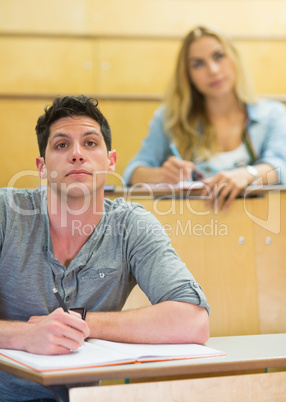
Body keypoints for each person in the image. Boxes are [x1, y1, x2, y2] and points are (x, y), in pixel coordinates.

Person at [0, 95, 209, 401]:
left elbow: (193, 321)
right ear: (41, 167)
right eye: (61, 145)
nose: (76, 154)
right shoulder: (6, 212)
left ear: (110, 161)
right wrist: (25, 335)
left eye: (90, 143)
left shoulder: (131, 224)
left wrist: (82, 322)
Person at [123, 25, 286, 209]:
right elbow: (132, 173)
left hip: (254, 229)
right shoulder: (170, 118)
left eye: (218, 56)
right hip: (190, 228)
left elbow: (280, 167)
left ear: (234, 58)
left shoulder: (272, 114)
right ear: (188, 75)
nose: (213, 70)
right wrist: (161, 175)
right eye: (198, 64)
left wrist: (248, 174)